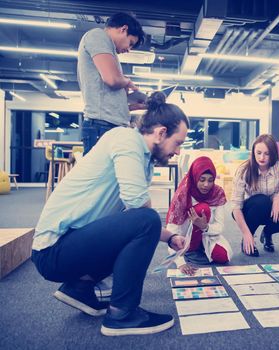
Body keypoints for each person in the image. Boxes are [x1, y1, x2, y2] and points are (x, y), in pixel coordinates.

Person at [31, 92, 189, 336]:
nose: (178, 152)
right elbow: (139, 212)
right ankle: (122, 314)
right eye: (177, 143)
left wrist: (169, 237)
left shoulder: (142, 158)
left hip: (68, 245)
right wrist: (160, 231)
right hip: (53, 250)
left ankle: (80, 288)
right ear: (160, 133)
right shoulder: (126, 140)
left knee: (141, 223)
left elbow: (127, 220)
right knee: (146, 220)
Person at [78, 12, 146, 155]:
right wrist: (127, 81)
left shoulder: (108, 48)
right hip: (101, 126)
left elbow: (106, 97)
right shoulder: (98, 36)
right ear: (123, 29)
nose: (128, 49)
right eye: (131, 43)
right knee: (99, 177)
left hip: (106, 125)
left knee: (108, 177)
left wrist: (134, 106)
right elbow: (112, 80)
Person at [165, 156, 232, 275]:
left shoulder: (217, 193)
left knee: (223, 256)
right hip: (185, 239)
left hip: (208, 236)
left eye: (210, 180)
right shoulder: (182, 195)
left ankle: (201, 250)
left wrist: (204, 227)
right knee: (203, 209)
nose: (206, 185)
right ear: (195, 178)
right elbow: (171, 232)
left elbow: (220, 227)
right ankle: (191, 251)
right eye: (202, 180)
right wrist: (180, 263)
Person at [231, 134, 279, 256]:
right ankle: (248, 240)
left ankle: (267, 233)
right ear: (253, 152)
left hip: (267, 207)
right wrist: (246, 234)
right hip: (247, 211)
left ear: (273, 154)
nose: (262, 157)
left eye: (267, 153)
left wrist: (276, 202)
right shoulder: (243, 170)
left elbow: (278, 191)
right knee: (261, 201)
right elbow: (236, 206)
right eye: (258, 153)